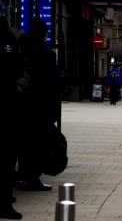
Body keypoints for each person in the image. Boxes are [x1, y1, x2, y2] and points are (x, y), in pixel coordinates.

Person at [16, 19, 61, 194]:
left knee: (23, 141)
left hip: (22, 104)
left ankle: (22, 173)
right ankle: (32, 178)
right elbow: (52, 83)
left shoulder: (21, 50)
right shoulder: (48, 54)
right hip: (40, 106)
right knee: (38, 143)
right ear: (44, 34)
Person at [0, 4, 23, 219]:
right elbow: (16, 68)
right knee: (6, 155)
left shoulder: (8, 36)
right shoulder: (7, 37)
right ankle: (4, 201)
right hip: (6, 106)